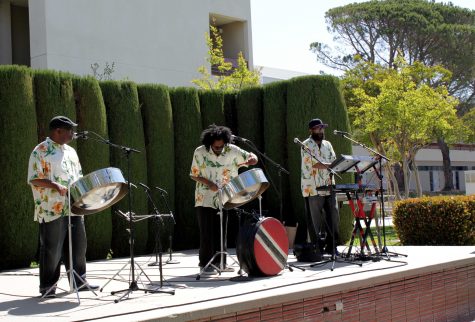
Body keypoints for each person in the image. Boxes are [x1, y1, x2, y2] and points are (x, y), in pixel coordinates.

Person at [28, 115, 98, 298]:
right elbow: (34, 178)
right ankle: (48, 287)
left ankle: (79, 282)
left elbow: (79, 177)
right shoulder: (40, 151)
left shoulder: (71, 152)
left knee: (78, 246)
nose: (73, 133)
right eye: (70, 130)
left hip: (74, 206)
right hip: (52, 208)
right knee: (52, 249)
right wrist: (54, 185)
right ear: (58, 131)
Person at [190, 125, 258, 273]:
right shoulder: (200, 152)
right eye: (216, 147)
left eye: (221, 146)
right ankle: (205, 263)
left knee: (221, 230)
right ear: (209, 143)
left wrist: (253, 159)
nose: (219, 149)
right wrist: (209, 184)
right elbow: (193, 174)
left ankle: (221, 262)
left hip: (225, 196)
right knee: (207, 231)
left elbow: (252, 157)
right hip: (205, 197)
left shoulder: (232, 150)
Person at [300, 118, 339, 256]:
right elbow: (313, 164)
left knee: (333, 216)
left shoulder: (328, 144)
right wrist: (331, 165)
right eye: (318, 128)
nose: (321, 130)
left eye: (322, 128)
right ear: (311, 130)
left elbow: (334, 160)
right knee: (315, 219)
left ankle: (332, 246)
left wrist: (334, 165)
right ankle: (316, 248)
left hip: (329, 184)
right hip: (312, 187)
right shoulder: (305, 145)